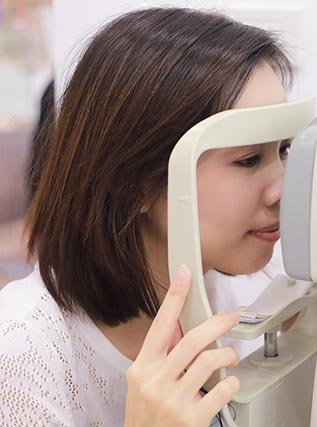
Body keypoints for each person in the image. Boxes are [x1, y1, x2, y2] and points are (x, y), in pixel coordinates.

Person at [0, 7, 297, 426]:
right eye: (249, 159)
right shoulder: (22, 354)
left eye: (283, 150)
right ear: (137, 183)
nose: (281, 188)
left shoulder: (254, 295)